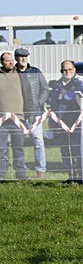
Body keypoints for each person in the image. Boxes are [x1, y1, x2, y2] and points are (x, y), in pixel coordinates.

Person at [48, 60, 83, 184]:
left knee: (76, 149)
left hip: (75, 122)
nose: (67, 72)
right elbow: (53, 104)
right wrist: (52, 124)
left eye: (70, 70)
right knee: (65, 151)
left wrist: (67, 94)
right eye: (65, 70)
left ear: (74, 70)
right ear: (61, 71)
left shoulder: (79, 83)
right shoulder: (57, 85)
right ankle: (70, 175)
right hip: (60, 123)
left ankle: (79, 176)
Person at [15, 48, 49, 178]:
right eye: (20, 57)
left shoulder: (36, 72)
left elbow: (45, 88)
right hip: (18, 114)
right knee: (17, 143)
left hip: (35, 114)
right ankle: (21, 172)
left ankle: (41, 171)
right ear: (16, 58)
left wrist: (39, 103)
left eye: (25, 56)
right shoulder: (13, 73)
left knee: (38, 141)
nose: (23, 59)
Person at [0, 52, 27, 180]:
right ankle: (1, 174)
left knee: (18, 148)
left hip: (18, 118)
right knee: (1, 149)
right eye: (7, 60)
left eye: (11, 60)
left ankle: (21, 174)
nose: (10, 62)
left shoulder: (20, 75)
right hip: (1, 120)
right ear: (2, 62)